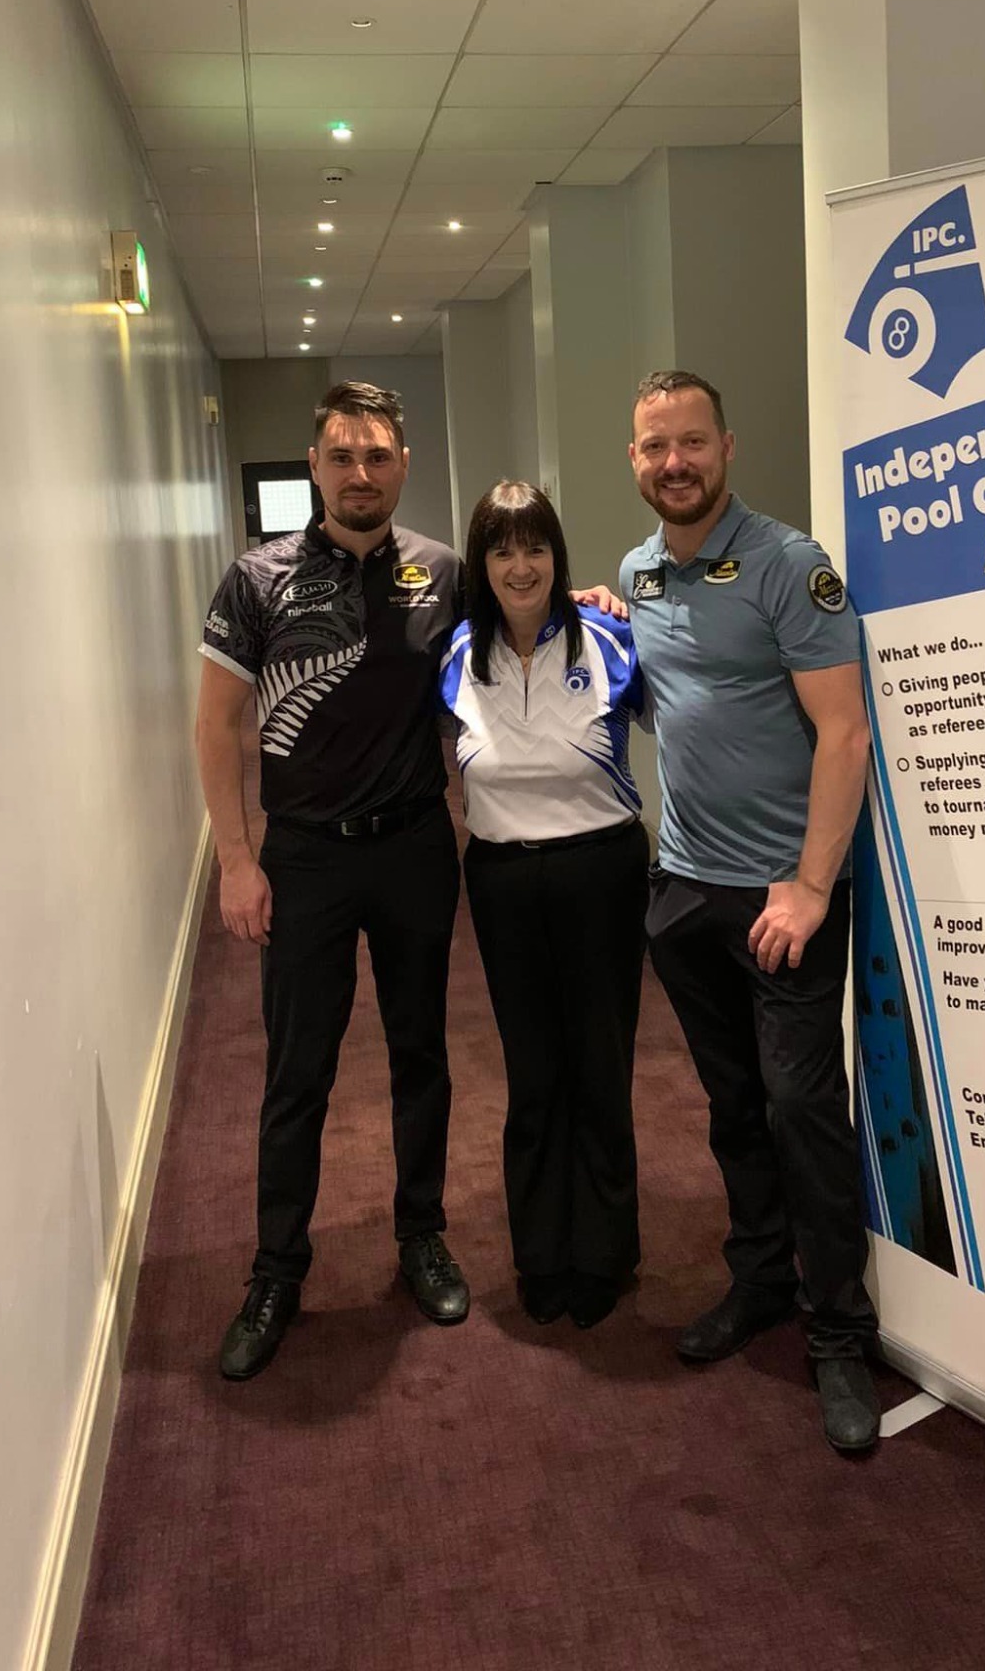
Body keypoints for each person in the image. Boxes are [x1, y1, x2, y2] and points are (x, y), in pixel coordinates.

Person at [620, 369, 880, 1453]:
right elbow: (663, 698)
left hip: (783, 897)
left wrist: (812, 885)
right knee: (732, 1105)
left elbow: (845, 732)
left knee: (799, 1109)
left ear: (726, 446)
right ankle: (762, 1276)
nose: (673, 462)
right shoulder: (638, 571)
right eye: (654, 447)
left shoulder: (787, 564)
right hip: (684, 887)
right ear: (634, 460)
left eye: (691, 442)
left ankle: (840, 1332)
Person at [196, 381, 470, 1380]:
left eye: (378, 456)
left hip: (414, 848)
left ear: (403, 465)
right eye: (343, 456)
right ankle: (276, 1269)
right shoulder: (256, 579)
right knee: (297, 1071)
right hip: (305, 856)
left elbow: (521, 627)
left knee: (420, 1051)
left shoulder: (443, 572)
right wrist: (236, 858)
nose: (361, 473)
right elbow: (215, 724)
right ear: (314, 465)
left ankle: (422, 1234)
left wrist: (591, 600)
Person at [441, 483, 649, 1330]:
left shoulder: (610, 636)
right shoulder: (457, 651)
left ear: (558, 556)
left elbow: (691, 714)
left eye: (535, 548)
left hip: (601, 873)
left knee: (599, 1064)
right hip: (501, 881)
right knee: (533, 1072)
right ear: (481, 563)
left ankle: (603, 1252)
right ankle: (541, 1252)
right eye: (501, 550)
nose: (520, 566)